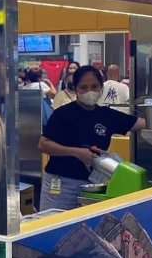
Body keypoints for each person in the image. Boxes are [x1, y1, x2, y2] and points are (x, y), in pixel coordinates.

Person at [38, 65, 145, 211]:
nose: (90, 91)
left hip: (92, 185)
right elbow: (43, 144)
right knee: (54, 222)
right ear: (76, 89)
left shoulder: (106, 115)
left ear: (101, 87)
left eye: (94, 86)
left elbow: (141, 123)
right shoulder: (62, 114)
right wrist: (77, 152)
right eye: (83, 87)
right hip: (61, 185)